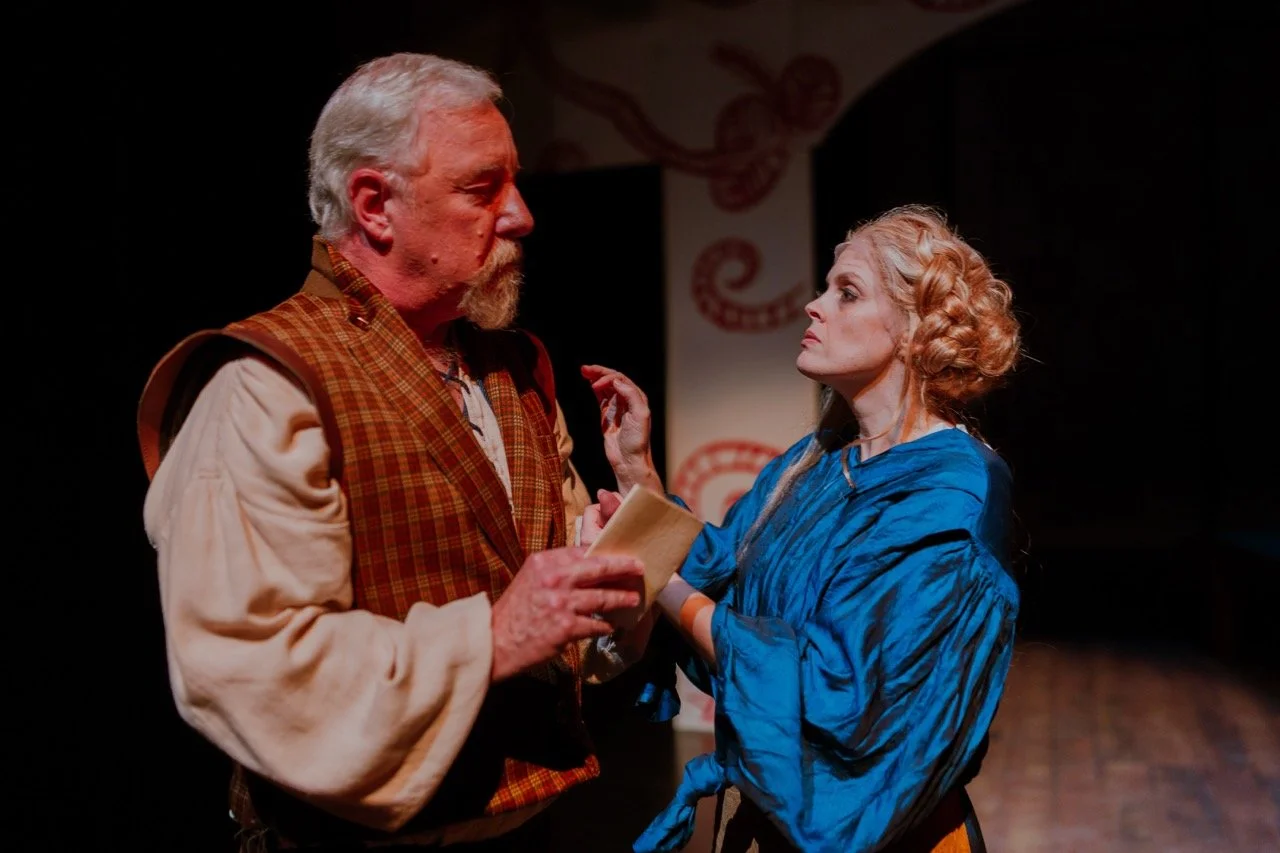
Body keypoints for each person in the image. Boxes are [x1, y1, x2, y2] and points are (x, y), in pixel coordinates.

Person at [136, 53, 647, 852]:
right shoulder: (266, 385)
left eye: (513, 184)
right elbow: (245, 665)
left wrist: (604, 592)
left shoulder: (514, 369)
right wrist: (488, 638)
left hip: (534, 823)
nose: (520, 215)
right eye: (482, 188)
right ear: (375, 205)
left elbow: (563, 634)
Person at [580, 205, 1023, 853]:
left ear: (914, 328)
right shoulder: (818, 462)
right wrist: (636, 473)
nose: (814, 306)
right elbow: (722, 571)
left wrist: (659, 579)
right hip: (766, 820)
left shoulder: (951, 492)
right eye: (825, 288)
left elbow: (839, 694)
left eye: (847, 292)